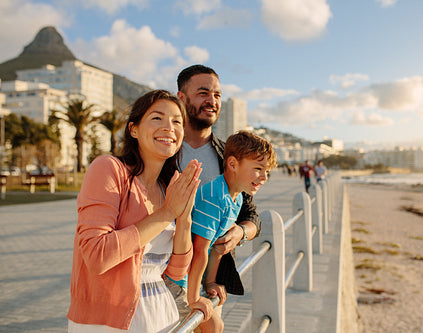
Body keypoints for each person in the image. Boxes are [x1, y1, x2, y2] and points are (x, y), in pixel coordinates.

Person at [67, 90, 205, 332]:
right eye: (157, 118)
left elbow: (175, 271)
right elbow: (97, 256)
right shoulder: (109, 170)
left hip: (160, 312)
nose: (169, 127)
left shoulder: (169, 185)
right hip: (109, 320)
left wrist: (183, 219)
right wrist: (166, 213)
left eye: (177, 121)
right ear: (133, 129)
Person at [164, 64, 262, 325]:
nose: (212, 101)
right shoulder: (163, 148)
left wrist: (239, 234)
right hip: (160, 277)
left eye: (217, 95)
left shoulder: (228, 155)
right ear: (181, 99)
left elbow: (251, 215)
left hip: (209, 284)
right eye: (203, 93)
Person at [172, 131, 277, 332]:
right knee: (212, 326)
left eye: (267, 171)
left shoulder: (236, 198)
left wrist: (210, 282)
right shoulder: (215, 197)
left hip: (196, 278)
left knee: (216, 326)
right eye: (258, 169)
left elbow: (218, 248)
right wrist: (194, 297)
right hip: (180, 278)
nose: (264, 177)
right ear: (232, 164)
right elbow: (200, 249)